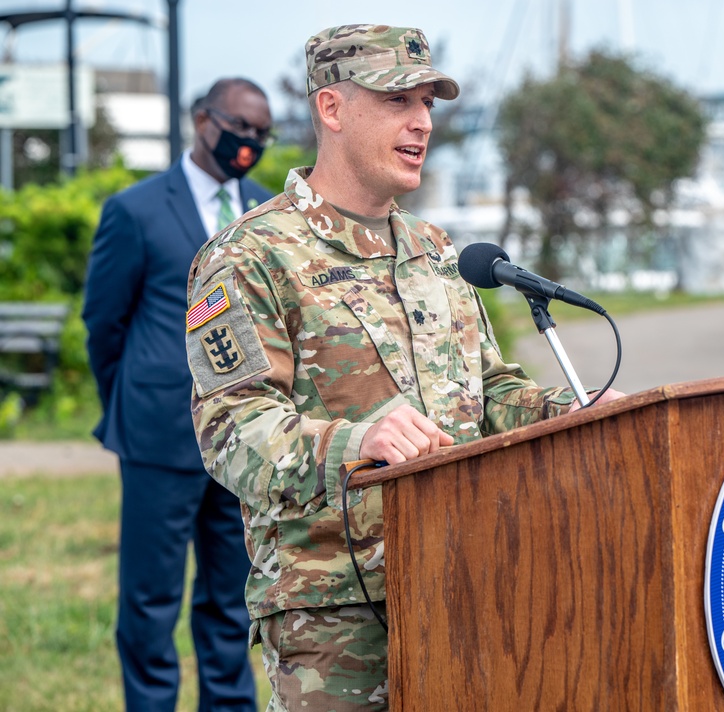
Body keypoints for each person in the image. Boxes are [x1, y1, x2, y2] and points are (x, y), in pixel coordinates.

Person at [184, 25, 624, 711]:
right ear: (332, 109)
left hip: (466, 579)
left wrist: (570, 412)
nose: (421, 122)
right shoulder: (251, 256)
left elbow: (488, 390)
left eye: (428, 104)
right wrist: (357, 442)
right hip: (333, 614)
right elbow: (232, 431)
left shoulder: (435, 250)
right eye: (397, 101)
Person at [83, 77, 274, 712]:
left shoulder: (266, 214)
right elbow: (103, 324)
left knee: (229, 598)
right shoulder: (134, 210)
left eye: (262, 134)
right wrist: (133, 400)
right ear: (203, 120)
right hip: (158, 437)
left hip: (242, 441)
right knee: (149, 601)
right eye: (240, 128)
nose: (249, 142)